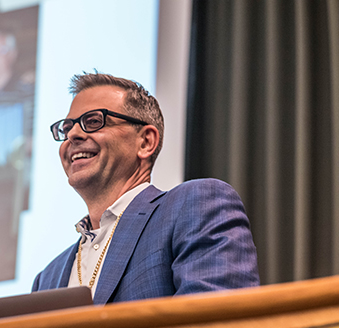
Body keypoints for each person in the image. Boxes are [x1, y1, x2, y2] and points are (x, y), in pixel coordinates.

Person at [32, 73, 260, 304]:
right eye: (66, 128)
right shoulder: (47, 279)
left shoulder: (196, 206)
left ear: (145, 142)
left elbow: (215, 321)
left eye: (93, 122)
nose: (72, 135)